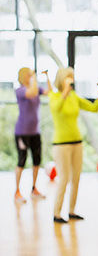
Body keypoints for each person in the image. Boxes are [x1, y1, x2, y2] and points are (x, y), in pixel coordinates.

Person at [49, 67, 98, 223]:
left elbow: (93, 108)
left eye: (72, 76)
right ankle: (57, 213)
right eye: (68, 76)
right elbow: (56, 108)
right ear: (61, 78)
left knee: (76, 179)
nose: (71, 79)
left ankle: (72, 211)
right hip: (61, 145)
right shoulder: (54, 96)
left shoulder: (74, 96)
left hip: (77, 143)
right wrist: (65, 92)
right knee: (64, 179)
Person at [14, 68, 51, 203]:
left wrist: (47, 77)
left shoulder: (36, 88)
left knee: (37, 161)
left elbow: (49, 92)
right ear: (24, 76)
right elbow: (32, 93)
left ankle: (34, 188)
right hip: (22, 133)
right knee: (21, 161)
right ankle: (17, 191)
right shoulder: (20, 90)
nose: (31, 76)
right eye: (29, 75)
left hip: (35, 132)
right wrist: (34, 79)